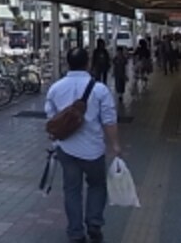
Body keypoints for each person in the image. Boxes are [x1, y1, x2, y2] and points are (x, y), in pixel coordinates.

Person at [45, 47, 121, 243]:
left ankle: (75, 233)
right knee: (97, 186)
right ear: (88, 63)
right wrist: (115, 144)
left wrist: (55, 136)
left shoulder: (56, 88)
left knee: (72, 190)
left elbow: (51, 117)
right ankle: (94, 224)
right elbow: (109, 120)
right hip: (93, 150)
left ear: (67, 63)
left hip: (66, 149)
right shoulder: (99, 89)